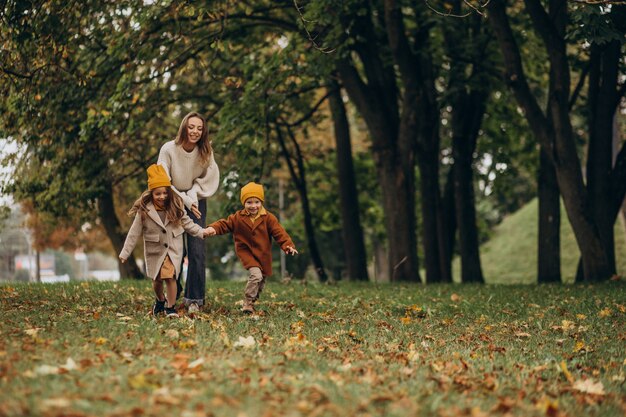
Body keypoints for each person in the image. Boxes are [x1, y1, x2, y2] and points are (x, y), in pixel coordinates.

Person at [119, 164, 212, 318]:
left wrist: (202, 232)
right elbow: (133, 233)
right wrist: (125, 252)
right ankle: (160, 300)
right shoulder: (144, 211)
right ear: (151, 193)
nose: (162, 197)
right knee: (157, 281)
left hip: (173, 249)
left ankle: (170, 307)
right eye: (158, 194)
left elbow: (188, 224)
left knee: (170, 277)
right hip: (154, 250)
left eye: (164, 193)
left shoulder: (175, 207)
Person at [157, 112, 219, 313]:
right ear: (184, 127)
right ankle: (174, 293)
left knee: (197, 250)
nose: (195, 132)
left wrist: (192, 196)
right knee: (174, 250)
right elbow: (163, 179)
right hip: (172, 200)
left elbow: (208, 179)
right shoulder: (168, 149)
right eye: (191, 127)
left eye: (200, 128)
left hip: (196, 202)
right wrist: (182, 199)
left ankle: (194, 299)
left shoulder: (206, 152)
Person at [206, 182, 298, 314]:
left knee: (261, 281)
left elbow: (279, 233)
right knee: (256, 275)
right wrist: (212, 229)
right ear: (244, 203)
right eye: (249, 202)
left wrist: (288, 245)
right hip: (247, 252)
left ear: (261, 202)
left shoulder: (269, 218)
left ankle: (252, 302)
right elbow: (224, 224)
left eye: (257, 202)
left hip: (263, 253)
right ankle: (247, 303)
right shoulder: (238, 217)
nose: (253, 206)